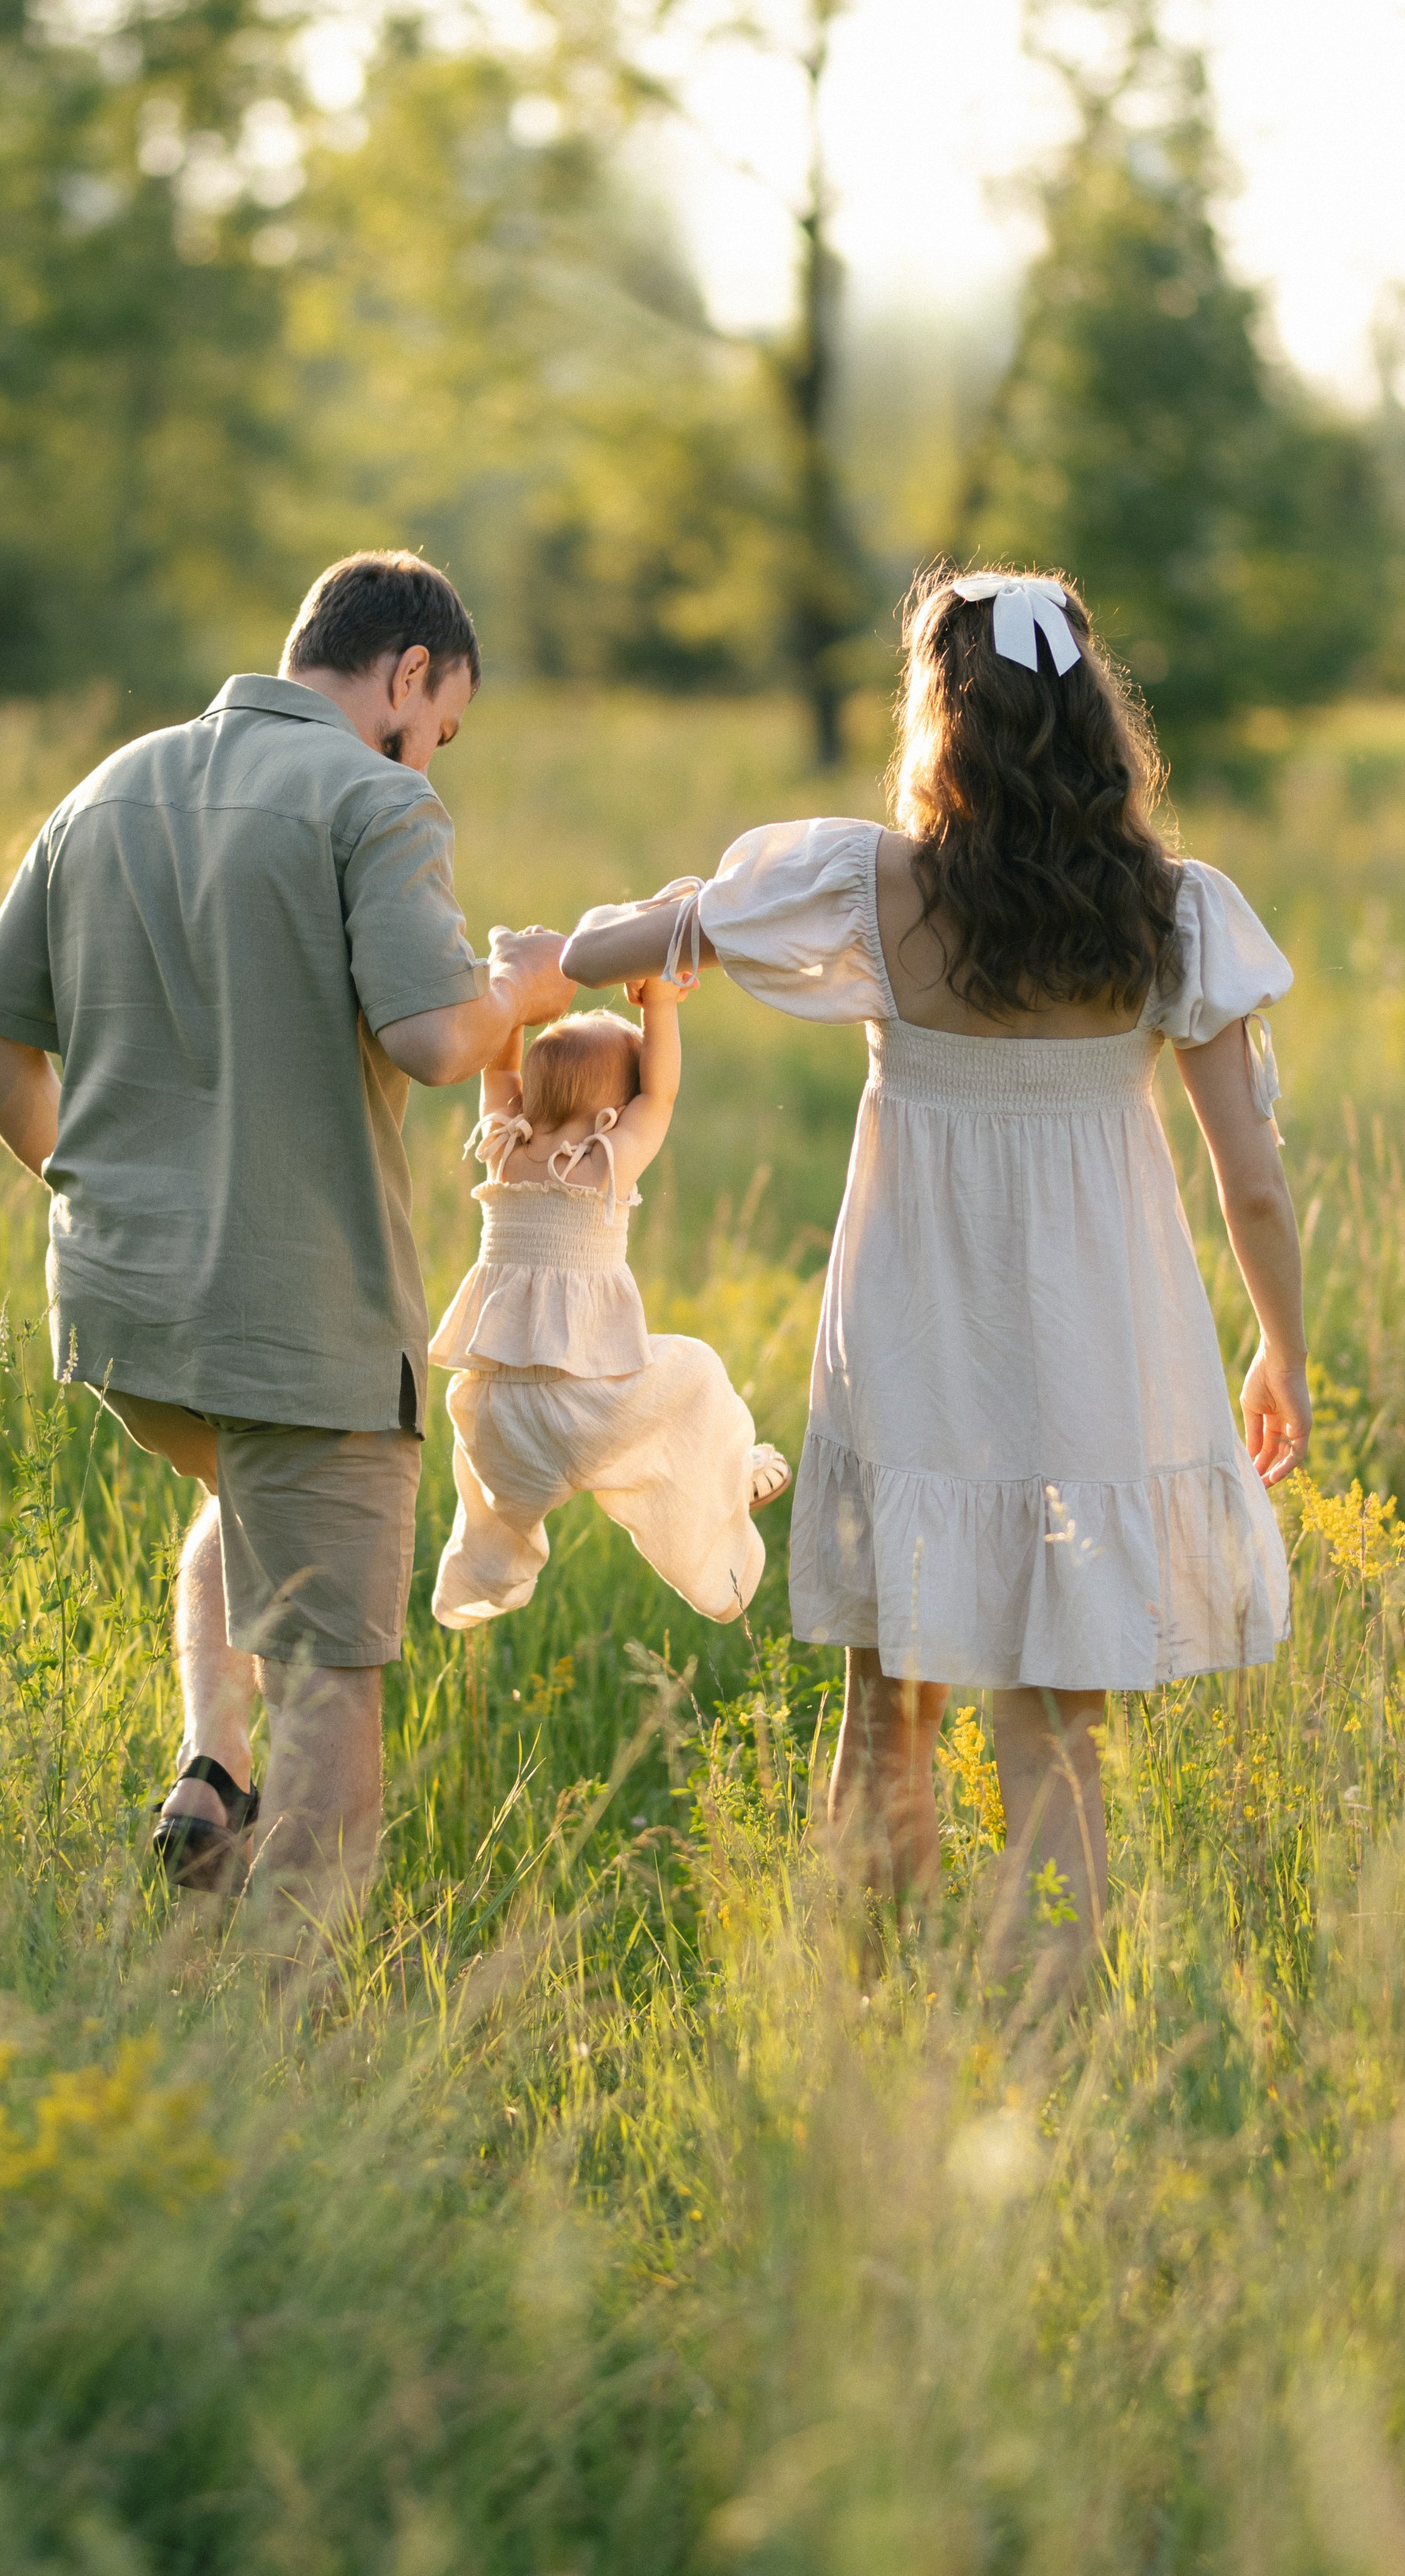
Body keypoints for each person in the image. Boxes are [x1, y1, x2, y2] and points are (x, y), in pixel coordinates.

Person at [561, 568, 1309, 1947]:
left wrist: (651, 931)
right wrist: (1282, 1352)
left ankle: (864, 2019)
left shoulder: (871, 886)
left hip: (915, 1339)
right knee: (1057, 1729)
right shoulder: (1174, 912)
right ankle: (1053, 2034)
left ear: (939, 716)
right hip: (1093, 1346)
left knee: (887, 1710)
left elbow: (611, 946)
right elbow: (1250, 1184)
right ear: (1093, 719)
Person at [0, 551, 576, 1921]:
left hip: (127, 1322)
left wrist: (105, 1189)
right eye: (444, 726)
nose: (437, 760)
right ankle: (286, 2037)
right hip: (302, 1325)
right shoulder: (377, 799)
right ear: (408, 674)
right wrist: (527, 992)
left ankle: (208, 1774)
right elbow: (431, 1034)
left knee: (242, 1491)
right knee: (333, 1677)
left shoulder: (109, 785)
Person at [428, 973, 790, 1632]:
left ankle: (479, 1577)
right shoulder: (606, 1162)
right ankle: (728, 1484)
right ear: (614, 1112)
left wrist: (517, 1003)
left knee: (486, 1508)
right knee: (695, 1372)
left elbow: (502, 1069)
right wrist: (658, 1001)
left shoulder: (503, 1152)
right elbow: (663, 1089)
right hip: (587, 1409)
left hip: (497, 1419)